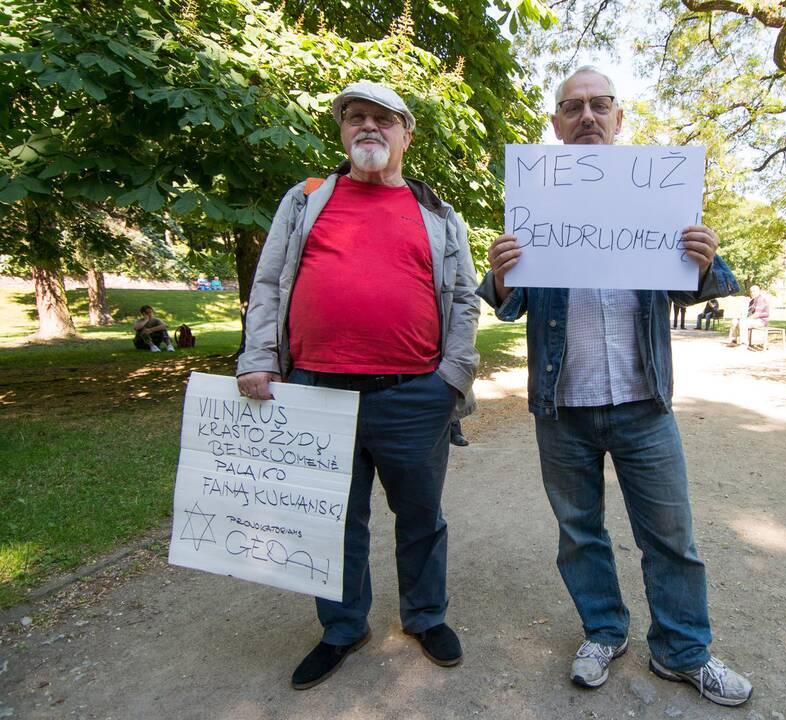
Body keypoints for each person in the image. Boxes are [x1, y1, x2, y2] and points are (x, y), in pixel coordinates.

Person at [478, 66, 752, 707]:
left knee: (670, 534)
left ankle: (683, 652)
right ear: (555, 124)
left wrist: (708, 259)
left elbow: (712, 284)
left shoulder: (656, 196)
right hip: (562, 407)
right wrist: (502, 273)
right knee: (579, 533)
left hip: (642, 402)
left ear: (620, 117)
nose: (587, 117)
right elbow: (506, 305)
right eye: (572, 108)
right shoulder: (536, 200)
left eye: (600, 105)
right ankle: (604, 632)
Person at [236, 80, 480, 690]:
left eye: (383, 119)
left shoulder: (438, 214)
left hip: (414, 393)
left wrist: (453, 376)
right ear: (342, 131)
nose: (368, 127)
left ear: (406, 133)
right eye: (355, 118)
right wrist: (257, 355)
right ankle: (344, 627)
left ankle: (425, 617)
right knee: (334, 518)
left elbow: (463, 299)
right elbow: (268, 285)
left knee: (420, 514)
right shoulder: (306, 200)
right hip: (316, 390)